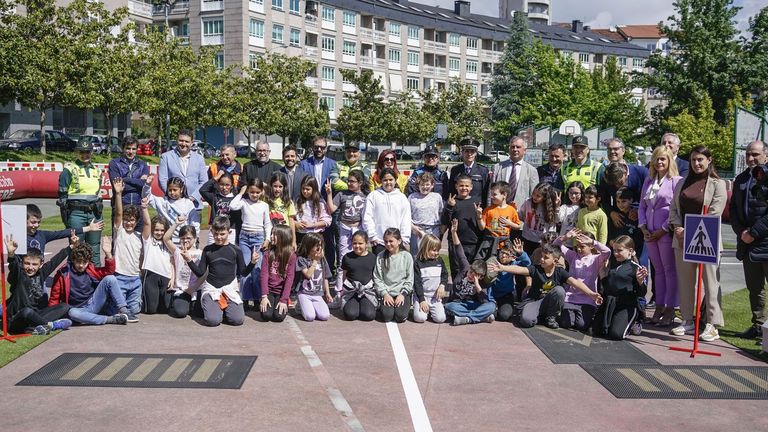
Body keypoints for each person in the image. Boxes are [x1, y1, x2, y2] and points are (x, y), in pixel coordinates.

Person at [668, 145, 727, 341]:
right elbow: (674, 210)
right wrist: (677, 227)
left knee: (711, 283)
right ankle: (687, 320)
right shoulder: (682, 183)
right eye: (693, 160)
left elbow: (715, 213)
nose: (697, 163)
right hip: (682, 239)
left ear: (709, 160)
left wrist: (690, 230)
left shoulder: (718, 184)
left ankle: (712, 324)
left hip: (706, 240)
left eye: (700, 159)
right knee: (686, 283)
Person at [489, 244, 601, 329]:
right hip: (535, 301)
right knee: (526, 321)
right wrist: (503, 268)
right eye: (542, 256)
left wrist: (591, 294)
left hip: (549, 302)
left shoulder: (559, 272)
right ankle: (540, 315)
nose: (541, 259)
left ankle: (551, 317)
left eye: (545, 257)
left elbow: (576, 283)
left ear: (555, 261)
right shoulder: (536, 269)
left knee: (559, 291)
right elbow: (520, 269)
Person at [183, 216, 258, 327]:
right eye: (216, 234)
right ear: (212, 231)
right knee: (212, 321)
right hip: (211, 288)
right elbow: (200, 273)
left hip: (229, 289)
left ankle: (222, 307)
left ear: (229, 232)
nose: (218, 237)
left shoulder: (236, 250)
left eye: (222, 234)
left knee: (237, 320)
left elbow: (243, 273)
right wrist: (189, 260)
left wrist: (252, 262)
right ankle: (212, 306)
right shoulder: (208, 250)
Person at [639, 146, 683, 326]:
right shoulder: (649, 181)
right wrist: (643, 227)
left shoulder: (675, 181)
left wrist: (664, 229)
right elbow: (642, 206)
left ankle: (670, 308)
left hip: (665, 232)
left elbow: (676, 209)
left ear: (670, 160)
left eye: (663, 159)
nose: (659, 162)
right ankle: (659, 306)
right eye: (657, 159)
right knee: (657, 271)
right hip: (649, 233)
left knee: (669, 270)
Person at [729, 140, 768, 340]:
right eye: (748, 154)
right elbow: (734, 209)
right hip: (748, 242)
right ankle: (759, 326)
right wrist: (742, 232)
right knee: (755, 288)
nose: (751, 158)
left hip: (764, 241)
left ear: (766, 156)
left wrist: (754, 232)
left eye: (755, 154)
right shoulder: (741, 179)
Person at [3, 233, 74, 335]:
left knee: (64, 306)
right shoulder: (19, 275)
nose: (30, 267)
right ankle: (51, 326)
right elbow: (13, 267)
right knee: (27, 311)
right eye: (27, 263)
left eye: (34, 264)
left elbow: (55, 261)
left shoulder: (41, 273)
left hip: (36, 314)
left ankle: (33, 328)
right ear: (22, 263)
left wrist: (71, 246)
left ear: (41, 264)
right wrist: (11, 255)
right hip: (17, 319)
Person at [49, 239, 131, 326]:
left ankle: (124, 311)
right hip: (77, 309)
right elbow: (55, 297)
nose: (81, 265)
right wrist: (51, 315)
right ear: (73, 260)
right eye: (78, 262)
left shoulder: (90, 269)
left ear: (88, 261)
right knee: (72, 313)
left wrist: (108, 254)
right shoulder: (63, 273)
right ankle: (110, 319)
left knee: (110, 278)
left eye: (84, 262)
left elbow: (108, 271)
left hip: (93, 303)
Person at [57, 139, 103, 263]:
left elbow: (97, 191)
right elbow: (62, 196)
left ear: (91, 152)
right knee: (76, 246)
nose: (85, 155)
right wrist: (66, 218)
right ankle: (73, 277)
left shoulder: (97, 171)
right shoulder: (69, 170)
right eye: (82, 152)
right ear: (77, 153)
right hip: (76, 213)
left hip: (94, 212)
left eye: (87, 152)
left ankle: (94, 277)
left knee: (95, 247)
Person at [593, 236, 649, 339]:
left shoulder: (635, 268)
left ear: (630, 251)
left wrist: (640, 282)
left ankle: (635, 321)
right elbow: (608, 288)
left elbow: (642, 293)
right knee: (597, 331)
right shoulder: (614, 265)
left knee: (616, 334)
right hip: (611, 303)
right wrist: (603, 276)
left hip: (626, 306)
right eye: (614, 250)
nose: (615, 253)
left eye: (619, 250)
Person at [554, 230, 611, 330]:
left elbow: (607, 252)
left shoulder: (596, 259)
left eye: (583, 246)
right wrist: (565, 237)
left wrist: (593, 242)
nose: (579, 249)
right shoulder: (573, 256)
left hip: (588, 299)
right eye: (577, 247)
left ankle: (589, 314)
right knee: (566, 323)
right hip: (570, 297)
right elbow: (555, 246)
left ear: (591, 247)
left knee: (581, 325)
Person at [229, 178, 272, 306]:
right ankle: (246, 298)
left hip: (258, 238)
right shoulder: (243, 202)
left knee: (257, 268)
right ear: (248, 191)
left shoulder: (264, 205)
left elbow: (267, 224)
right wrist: (241, 193)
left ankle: (259, 298)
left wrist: (267, 239)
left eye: (257, 192)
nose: (254, 195)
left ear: (262, 192)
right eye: (252, 192)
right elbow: (232, 206)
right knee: (246, 267)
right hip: (244, 237)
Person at [326, 170, 367, 300]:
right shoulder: (342, 194)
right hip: (344, 228)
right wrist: (329, 194)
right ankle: (339, 292)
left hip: (358, 228)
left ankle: (359, 289)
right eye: (348, 181)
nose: (349, 183)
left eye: (352, 181)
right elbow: (331, 209)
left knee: (359, 257)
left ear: (360, 183)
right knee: (342, 259)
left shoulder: (366, 196)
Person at [444, 219, 494, 325]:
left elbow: (485, 301)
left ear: (481, 276)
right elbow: (459, 249)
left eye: (477, 275)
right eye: (472, 272)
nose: (472, 276)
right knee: (449, 307)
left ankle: (467, 319)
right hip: (459, 303)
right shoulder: (465, 267)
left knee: (491, 306)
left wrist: (477, 285)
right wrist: (453, 232)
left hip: (474, 304)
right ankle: (481, 317)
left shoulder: (482, 282)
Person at [158, 129, 208, 222]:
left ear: (191, 143)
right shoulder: (166, 157)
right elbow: (162, 179)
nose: (183, 143)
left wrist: (193, 197)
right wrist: (173, 195)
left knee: (193, 235)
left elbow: (204, 181)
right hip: (173, 205)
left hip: (194, 205)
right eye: (181, 140)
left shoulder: (199, 159)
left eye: (187, 141)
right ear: (177, 140)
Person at [111, 178, 143, 320]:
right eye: (126, 219)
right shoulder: (119, 231)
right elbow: (118, 213)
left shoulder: (139, 236)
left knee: (135, 310)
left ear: (136, 222)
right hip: (120, 276)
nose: (129, 223)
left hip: (135, 278)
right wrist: (118, 194)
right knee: (117, 308)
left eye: (132, 220)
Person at [363, 168, 412, 255]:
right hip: (379, 241)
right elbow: (367, 217)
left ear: (395, 180)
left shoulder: (401, 197)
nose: (388, 182)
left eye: (391, 180)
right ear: (380, 181)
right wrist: (372, 236)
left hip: (397, 242)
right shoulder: (373, 196)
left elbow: (406, 219)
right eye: (385, 180)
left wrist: (405, 238)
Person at [442, 174, 482, 279]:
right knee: (456, 270)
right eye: (461, 186)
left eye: (467, 186)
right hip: (455, 242)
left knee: (472, 270)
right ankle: (456, 292)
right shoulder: (452, 202)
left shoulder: (477, 201)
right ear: (456, 186)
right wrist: (450, 207)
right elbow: (445, 221)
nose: (464, 188)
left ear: (471, 187)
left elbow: (480, 223)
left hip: (472, 242)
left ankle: (470, 293)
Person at [139, 197, 174, 314]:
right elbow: (147, 223)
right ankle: (140, 299)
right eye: (156, 230)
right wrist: (144, 208)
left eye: (162, 230)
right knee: (151, 310)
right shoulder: (147, 240)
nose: (159, 233)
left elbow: (173, 262)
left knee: (166, 309)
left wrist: (172, 278)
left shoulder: (168, 243)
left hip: (166, 276)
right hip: (151, 275)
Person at [163, 217, 203, 319]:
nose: (185, 240)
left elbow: (204, 273)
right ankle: (179, 302)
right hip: (182, 290)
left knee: (199, 313)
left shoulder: (200, 253)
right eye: (183, 238)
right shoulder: (177, 251)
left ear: (195, 238)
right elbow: (166, 238)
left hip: (195, 289)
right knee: (180, 312)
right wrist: (176, 224)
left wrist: (193, 288)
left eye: (188, 238)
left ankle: (192, 305)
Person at [108, 136, 150, 230]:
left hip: (138, 206)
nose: (131, 151)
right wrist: (138, 183)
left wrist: (126, 179)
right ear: (123, 148)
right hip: (120, 206)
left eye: (134, 149)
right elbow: (118, 186)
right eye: (128, 148)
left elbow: (144, 185)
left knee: (139, 241)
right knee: (118, 239)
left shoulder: (142, 164)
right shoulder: (114, 163)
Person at [26, 204, 101, 255]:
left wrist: (89, 228)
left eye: (38, 222)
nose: (36, 225)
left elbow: (63, 233)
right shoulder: (18, 237)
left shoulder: (42, 235)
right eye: (33, 222)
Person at [373, 228, 413, 323]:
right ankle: (383, 305)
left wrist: (403, 294)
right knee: (387, 316)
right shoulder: (380, 256)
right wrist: (385, 294)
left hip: (402, 293)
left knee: (400, 317)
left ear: (399, 241)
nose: (388, 244)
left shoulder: (407, 256)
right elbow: (378, 278)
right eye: (386, 241)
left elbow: (409, 279)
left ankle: (405, 305)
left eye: (391, 241)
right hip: (387, 293)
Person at [485, 238, 531, 322]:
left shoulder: (514, 264)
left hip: (506, 295)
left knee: (504, 315)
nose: (503, 256)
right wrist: (490, 299)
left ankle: (494, 312)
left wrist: (521, 253)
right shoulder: (494, 261)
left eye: (507, 254)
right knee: (487, 308)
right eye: (502, 252)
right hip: (492, 294)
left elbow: (527, 264)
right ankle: (491, 310)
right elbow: (489, 283)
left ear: (513, 258)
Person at [259, 225, 297, 323]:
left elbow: (290, 278)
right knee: (266, 315)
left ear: (283, 237)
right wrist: (264, 296)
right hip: (269, 291)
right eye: (271, 234)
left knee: (278, 317)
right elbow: (264, 275)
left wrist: (284, 300)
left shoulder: (291, 256)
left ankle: (285, 302)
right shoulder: (268, 254)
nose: (271, 237)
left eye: (274, 235)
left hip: (281, 292)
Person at [476, 181, 521, 261]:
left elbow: (518, 226)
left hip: (504, 245)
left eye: (495, 194)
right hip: (489, 243)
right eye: (491, 194)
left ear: (504, 195)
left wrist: (509, 223)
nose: (492, 197)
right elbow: (482, 228)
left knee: (503, 264)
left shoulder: (511, 210)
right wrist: (479, 217)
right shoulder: (488, 210)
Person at [146, 176, 199, 245]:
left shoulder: (188, 203)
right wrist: (147, 185)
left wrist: (195, 239)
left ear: (181, 189)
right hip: (166, 241)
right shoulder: (162, 202)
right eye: (170, 190)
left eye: (175, 190)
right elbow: (147, 196)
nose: (172, 192)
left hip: (183, 241)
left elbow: (195, 224)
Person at [491, 136, 539, 209]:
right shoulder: (498, 167)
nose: (515, 149)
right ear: (509, 149)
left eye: (518, 147)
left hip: (520, 213)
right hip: (498, 210)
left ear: (524, 150)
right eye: (512, 147)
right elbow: (490, 192)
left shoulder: (532, 170)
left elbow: (534, 195)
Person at [340, 231, 379, 321]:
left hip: (367, 291)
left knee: (368, 315)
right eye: (355, 243)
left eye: (360, 243)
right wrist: (345, 289)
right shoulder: (347, 257)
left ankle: (364, 306)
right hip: (352, 291)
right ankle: (354, 306)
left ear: (366, 244)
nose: (357, 246)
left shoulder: (373, 258)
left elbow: (375, 276)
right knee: (350, 315)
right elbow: (344, 275)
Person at [296, 233, 333, 322]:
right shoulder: (301, 259)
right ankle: (300, 306)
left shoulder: (323, 260)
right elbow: (308, 275)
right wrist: (315, 261)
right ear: (309, 246)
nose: (319, 248)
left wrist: (327, 293)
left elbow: (325, 277)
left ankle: (309, 306)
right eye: (317, 246)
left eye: (320, 246)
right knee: (310, 317)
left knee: (325, 316)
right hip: (304, 293)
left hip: (317, 293)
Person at [412, 234, 448, 324]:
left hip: (434, 297)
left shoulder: (439, 260)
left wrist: (442, 285)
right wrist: (421, 300)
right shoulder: (418, 263)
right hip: (422, 296)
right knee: (420, 318)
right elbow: (417, 283)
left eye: (438, 250)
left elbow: (445, 274)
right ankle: (420, 308)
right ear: (425, 248)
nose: (436, 253)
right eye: (434, 250)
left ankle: (432, 310)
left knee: (441, 319)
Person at [199, 170, 240, 245]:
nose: (224, 187)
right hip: (214, 230)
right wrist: (216, 177)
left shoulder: (236, 199)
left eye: (227, 185)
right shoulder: (214, 197)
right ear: (218, 184)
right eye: (221, 184)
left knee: (229, 254)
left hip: (230, 231)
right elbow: (202, 190)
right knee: (211, 253)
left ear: (232, 186)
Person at [408, 172, 444, 255]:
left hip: (433, 230)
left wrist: (440, 229)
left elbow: (441, 213)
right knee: (415, 255)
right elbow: (406, 216)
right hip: (417, 230)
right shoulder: (412, 197)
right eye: (422, 185)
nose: (425, 187)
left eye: (427, 184)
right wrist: (413, 227)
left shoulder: (437, 197)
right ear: (418, 185)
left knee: (431, 254)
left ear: (432, 185)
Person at [445, 138, 490, 205]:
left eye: (472, 151)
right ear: (462, 152)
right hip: (459, 206)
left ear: (476, 153)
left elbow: (486, 192)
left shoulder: (483, 170)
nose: (469, 154)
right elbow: (451, 190)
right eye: (467, 151)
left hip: (476, 207)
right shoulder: (455, 170)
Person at [519, 182, 560, 254]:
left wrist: (556, 207)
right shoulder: (528, 202)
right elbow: (521, 215)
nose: (534, 197)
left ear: (545, 197)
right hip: (526, 237)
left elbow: (556, 221)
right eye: (534, 194)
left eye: (538, 196)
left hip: (540, 241)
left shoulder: (550, 207)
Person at [295, 176, 331, 245]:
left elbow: (327, 221)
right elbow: (292, 217)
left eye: (308, 189)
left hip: (315, 235)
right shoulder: (298, 200)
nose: (305, 191)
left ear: (314, 189)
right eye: (303, 189)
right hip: (300, 235)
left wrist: (312, 225)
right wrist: (297, 224)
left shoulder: (320, 202)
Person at [266, 172, 298, 249]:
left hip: (284, 235)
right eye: (275, 186)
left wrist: (293, 241)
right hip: (270, 235)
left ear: (284, 187)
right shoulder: (266, 200)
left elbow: (291, 221)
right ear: (271, 186)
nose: (277, 189)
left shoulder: (288, 201)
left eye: (280, 187)